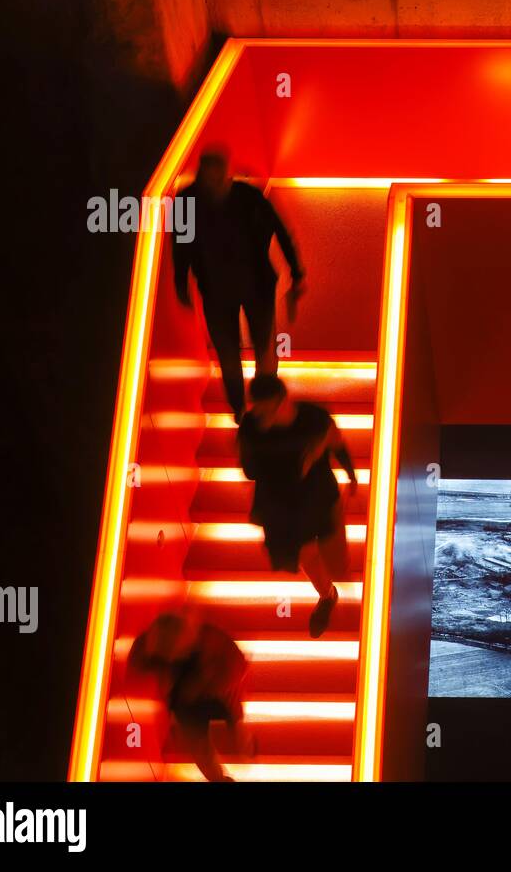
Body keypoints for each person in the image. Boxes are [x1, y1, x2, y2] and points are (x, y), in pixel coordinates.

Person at [172, 146, 306, 423]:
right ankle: (254, 405)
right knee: (248, 349)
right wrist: (296, 272)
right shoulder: (245, 197)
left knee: (238, 350)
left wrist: (181, 281)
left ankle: (249, 406)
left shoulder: (192, 201)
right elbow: (281, 232)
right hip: (237, 285)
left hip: (229, 286)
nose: (218, 179)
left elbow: (181, 245)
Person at [238, 374, 357, 637]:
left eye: (267, 409)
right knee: (302, 554)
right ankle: (327, 595)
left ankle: (336, 581)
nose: (261, 416)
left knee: (335, 554)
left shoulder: (314, 418)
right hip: (281, 503)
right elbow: (250, 470)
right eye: (257, 410)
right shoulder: (251, 427)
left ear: (283, 402)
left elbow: (336, 442)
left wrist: (350, 473)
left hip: (320, 496)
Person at [126, 611, 253, 782]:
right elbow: (139, 662)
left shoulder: (211, 642)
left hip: (216, 692)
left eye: (175, 651)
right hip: (188, 703)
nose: (172, 656)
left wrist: (202, 684)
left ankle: (240, 740)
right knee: (197, 742)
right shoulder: (161, 644)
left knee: (228, 717)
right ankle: (220, 777)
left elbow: (236, 668)